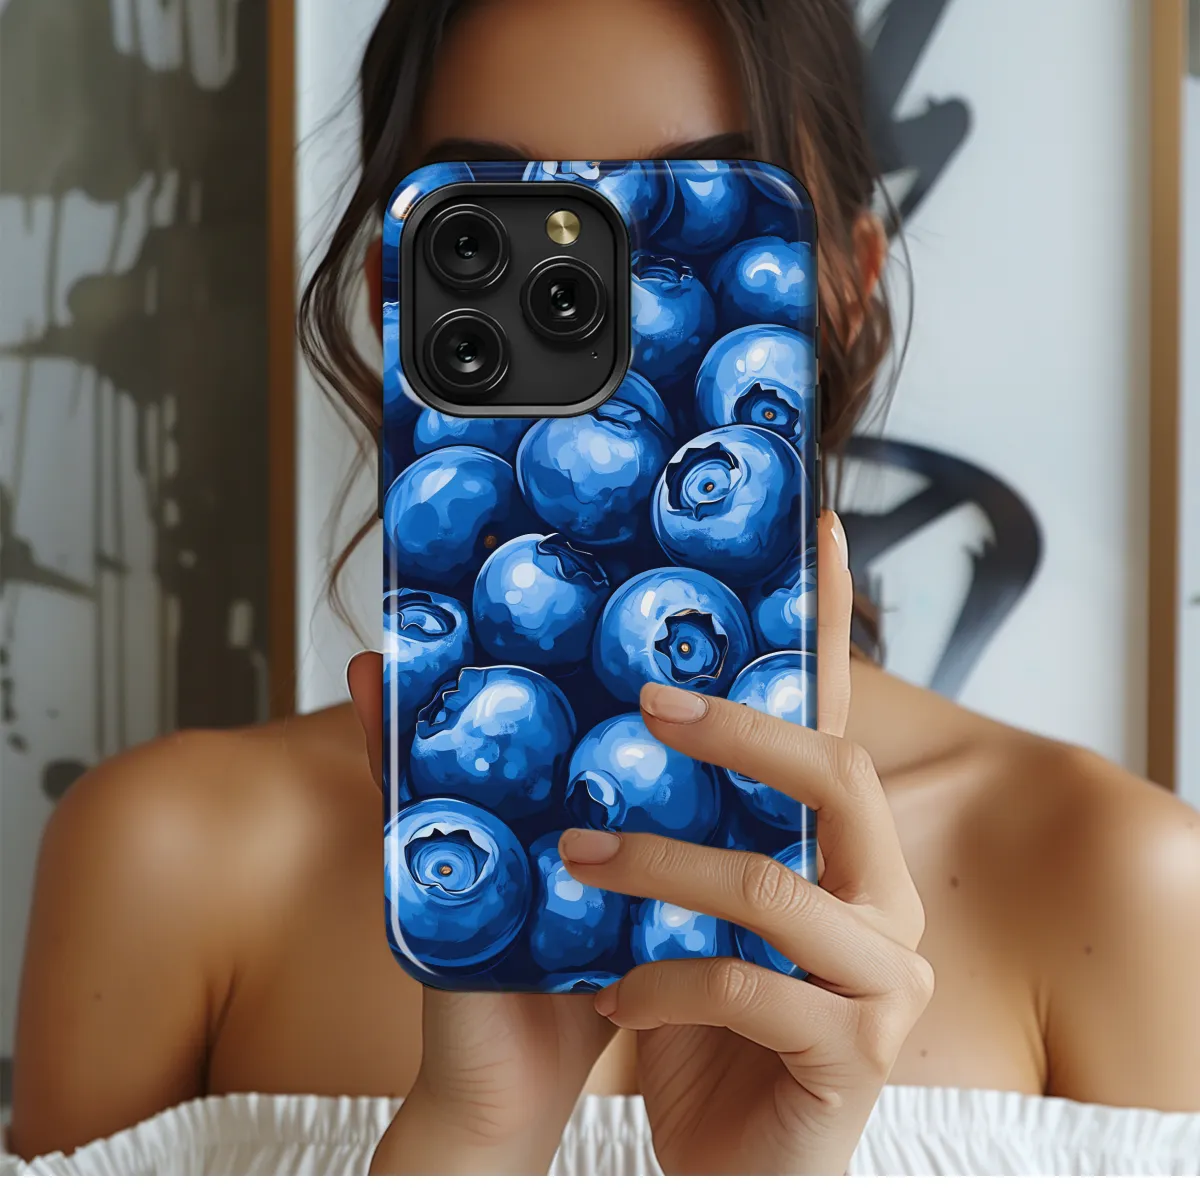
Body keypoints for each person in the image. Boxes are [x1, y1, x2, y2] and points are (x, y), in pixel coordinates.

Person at [7, 0, 1200, 1177]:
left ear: (847, 286)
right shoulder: (167, 864)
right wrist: (475, 1140)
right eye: (494, 225)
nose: (604, 310)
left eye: (694, 211)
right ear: (395, 294)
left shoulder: (1118, 884)